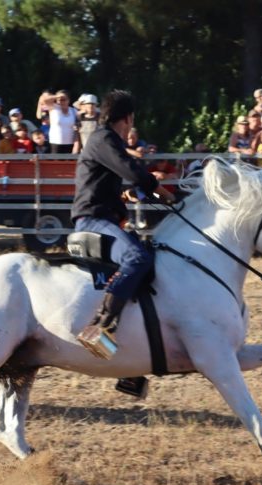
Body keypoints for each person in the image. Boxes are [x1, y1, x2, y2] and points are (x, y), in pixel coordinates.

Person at [71, 89, 175, 359]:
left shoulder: (102, 140)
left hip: (101, 217)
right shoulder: (104, 139)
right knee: (137, 257)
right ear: (128, 118)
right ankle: (100, 327)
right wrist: (158, 189)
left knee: (150, 257)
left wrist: (125, 194)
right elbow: (131, 170)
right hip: (92, 221)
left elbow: (105, 182)